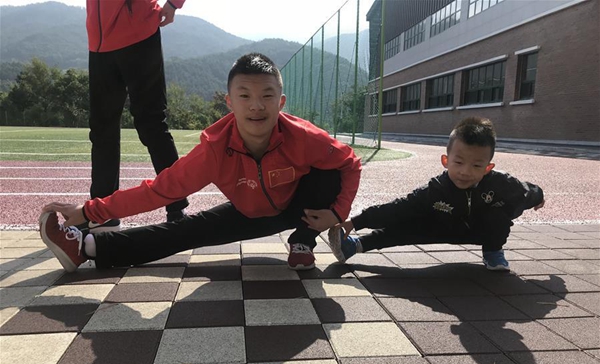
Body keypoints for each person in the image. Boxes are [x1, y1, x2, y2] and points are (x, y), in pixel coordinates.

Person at [39, 53, 362, 272]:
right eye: (245, 96)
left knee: (331, 174)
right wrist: (88, 212)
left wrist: (338, 212)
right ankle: (85, 247)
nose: (256, 106)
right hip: (248, 213)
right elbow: (158, 191)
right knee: (184, 230)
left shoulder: (303, 137)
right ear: (229, 102)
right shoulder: (215, 149)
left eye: (267, 95)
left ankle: (303, 241)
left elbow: (351, 163)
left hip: (297, 207)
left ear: (281, 102)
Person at [328, 117, 545, 271]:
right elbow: (399, 208)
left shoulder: (502, 184)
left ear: (488, 167)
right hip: (443, 226)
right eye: (458, 162)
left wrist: (539, 197)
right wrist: (356, 222)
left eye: (477, 165)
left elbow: (528, 191)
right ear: (445, 161)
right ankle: (354, 246)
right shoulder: (436, 189)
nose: (465, 172)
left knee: (498, 214)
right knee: (406, 222)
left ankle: (493, 253)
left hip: (481, 232)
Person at [84, 0, 189, 232]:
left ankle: (177, 208)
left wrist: (174, 3)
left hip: (139, 32)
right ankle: (102, 213)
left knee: (151, 124)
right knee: (102, 131)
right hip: (99, 43)